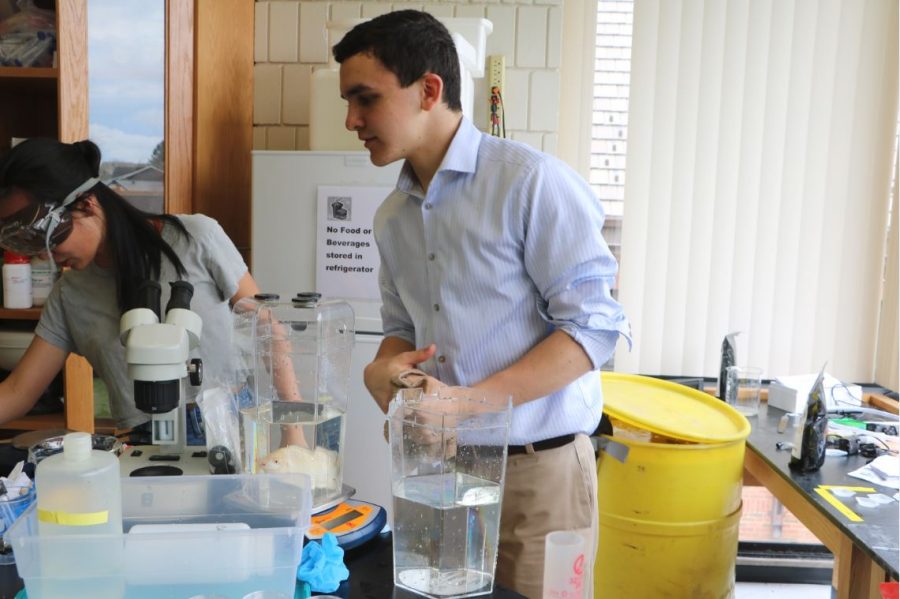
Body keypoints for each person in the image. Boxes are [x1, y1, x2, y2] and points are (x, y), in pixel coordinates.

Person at [333, 10, 631, 598]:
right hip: (439, 475)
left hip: (538, 473)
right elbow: (402, 330)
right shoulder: (392, 218)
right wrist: (384, 367)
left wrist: (465, 405)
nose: (351, 120)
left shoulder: (530, 182)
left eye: (365, 98)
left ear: (429, 90)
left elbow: (596, 329)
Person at [0, 138, 260, 434]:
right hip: (146, 441)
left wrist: (294, 431)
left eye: (49, 238)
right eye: (29, 244)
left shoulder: (196, 238)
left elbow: (265, 325)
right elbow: (18, 391)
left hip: (228, 422)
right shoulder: (69, 294)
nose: (48, 255)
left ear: (86, 204)